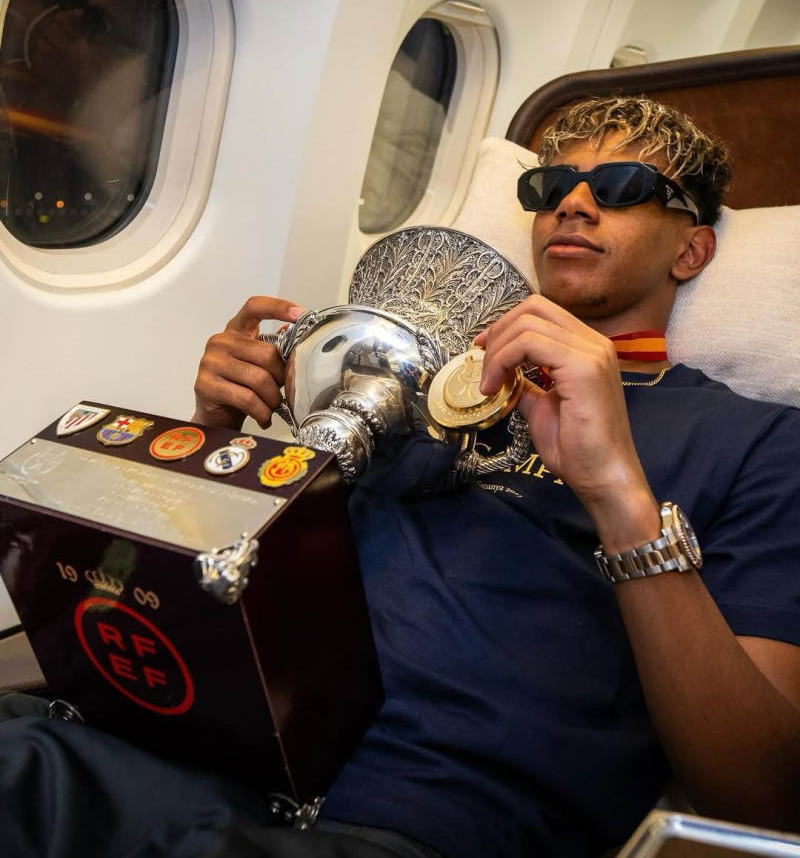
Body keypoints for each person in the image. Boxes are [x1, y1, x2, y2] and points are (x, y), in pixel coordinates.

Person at [4, 97, 800, 858]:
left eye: (622, 187)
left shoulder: (754, 440)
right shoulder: (412, 373)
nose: (573, 204)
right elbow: (224, 570)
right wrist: (209, 438)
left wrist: (617, 492)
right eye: (551, 187)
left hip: (412, 809)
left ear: (692, 250)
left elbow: (757, 795)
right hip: (186, 735)